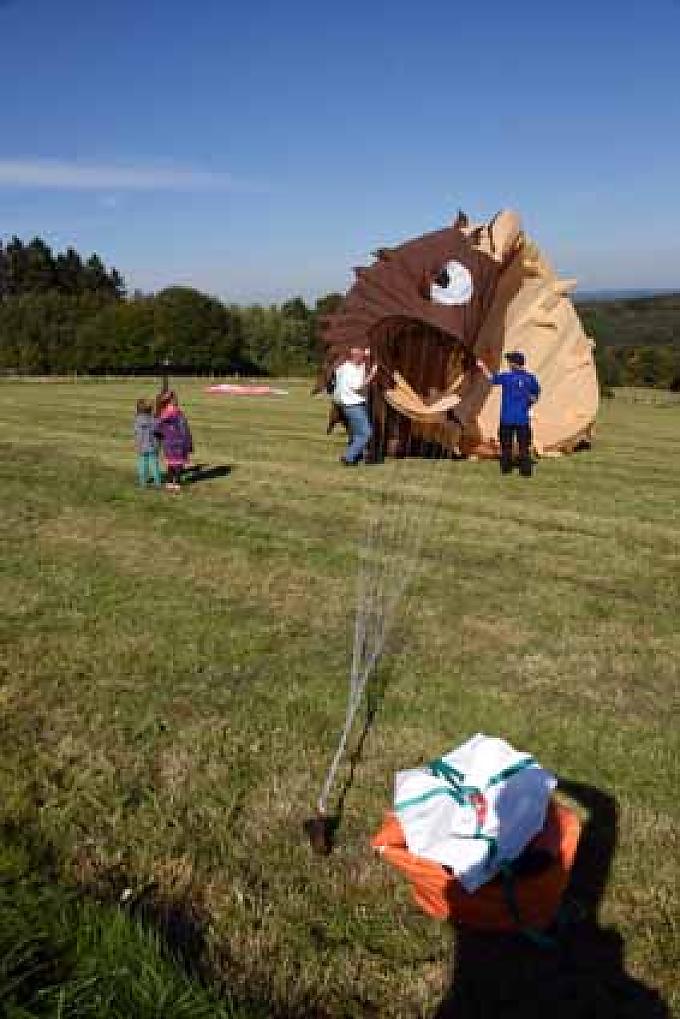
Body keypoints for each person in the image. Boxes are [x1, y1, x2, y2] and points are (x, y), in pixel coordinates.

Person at [475, 351, 540, 476]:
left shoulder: (507, 377)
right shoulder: (530, 378)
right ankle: (526, 470)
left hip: (507, 418)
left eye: (510, 362)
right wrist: (529, 403)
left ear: (514, 364)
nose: (508, 364)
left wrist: (482, 366)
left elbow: (491, 378)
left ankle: (506, 469)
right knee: (524, 446)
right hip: (522, 418)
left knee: (506, 446)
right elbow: (535, 395)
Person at [332, 347, 377, 465]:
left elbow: (361, 365)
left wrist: (367, 355)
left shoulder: (343, 367)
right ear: (356, 357)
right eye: (361, 356)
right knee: (365, 433)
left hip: (347, 405)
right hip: (353, 405)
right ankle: (348, 457)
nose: (363, 358)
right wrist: (372, 375)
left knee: (357, 433)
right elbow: (359, 387)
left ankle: (355, 457)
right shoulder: (350, 371)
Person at [154, 390, 193, 491]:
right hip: (178, 442)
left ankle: (169, 482)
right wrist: (188, 442)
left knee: (171, 463)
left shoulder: (161, 412)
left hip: (168, 442)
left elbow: (157, 428)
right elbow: (184, 428)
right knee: (179, 463)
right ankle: (177, 482)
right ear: (171, 400)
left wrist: (161, 436)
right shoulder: (176, 412)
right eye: (175, 398)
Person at [133, 398, 162, 488]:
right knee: (154, 464)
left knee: (142, 464)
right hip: (153, 445)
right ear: (150, 409)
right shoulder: (154, 420)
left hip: (142, 446)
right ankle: (157, 482)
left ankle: (143, 482)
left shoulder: (137, 421)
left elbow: (136, 433)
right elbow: (158, 431)